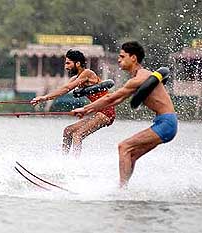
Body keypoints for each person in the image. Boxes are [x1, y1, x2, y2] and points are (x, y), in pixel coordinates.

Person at [72, 41, 178, 188]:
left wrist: (85, 109)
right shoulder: (136, 79)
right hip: (164, 123)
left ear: (133, 58)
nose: (119, 59)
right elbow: (115, 100)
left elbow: (111, 97)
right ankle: (126, 190)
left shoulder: (141, 77)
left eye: (122, 56)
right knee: (131, 155)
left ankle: (121, 190)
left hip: (166, 123)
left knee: (124, 147)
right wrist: (89, 109)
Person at [30, 50, 116, 156]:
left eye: (68, 63)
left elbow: (67, 88)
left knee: (77, 135)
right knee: (68, 131)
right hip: (98, 113)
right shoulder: (75, 78)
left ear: (78, 64)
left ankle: (75, 165)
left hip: (106, 112)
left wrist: (45, 97)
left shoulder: (87, 73)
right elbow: (62, 89)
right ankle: (64, 160)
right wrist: (43, 98)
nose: (66, 67)